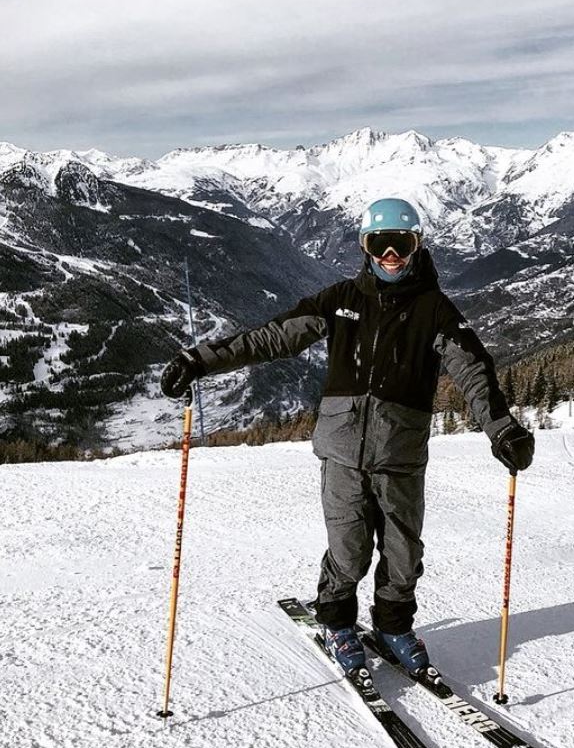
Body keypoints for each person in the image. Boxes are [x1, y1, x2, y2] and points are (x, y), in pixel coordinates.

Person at [160, 197, 534, 683]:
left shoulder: (434, 310)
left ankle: (394, 629)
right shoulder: (341, 300)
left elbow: (473, 371)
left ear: (417, 246)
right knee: (349, 549)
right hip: (341, 451)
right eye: (381, 243)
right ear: (366, 246)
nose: (391, 254)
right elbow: (272, 337)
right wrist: (200, 360)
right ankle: (338, 622)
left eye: (402, 243)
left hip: (400, 453)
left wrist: (502, 428)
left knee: (403, 554)